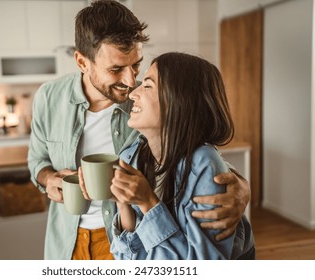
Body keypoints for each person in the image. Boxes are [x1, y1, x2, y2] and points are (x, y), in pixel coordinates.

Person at [28, 0, 250, 260]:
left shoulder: (146, 109)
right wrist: (47, 179)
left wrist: (242, 188)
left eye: (136, 65)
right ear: (82, 62)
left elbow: (192, 153)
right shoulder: (48, 98)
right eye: (116, 69)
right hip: (69, 238)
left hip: (129, 239)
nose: (130, 82)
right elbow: (37, 160)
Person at [108, 52, 255, 259]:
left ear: (178, 100)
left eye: (147, 85)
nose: (133, 93)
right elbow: (128, 258)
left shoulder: (204, 164)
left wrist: (148, 203)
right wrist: (123, 202)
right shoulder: (133, 155)